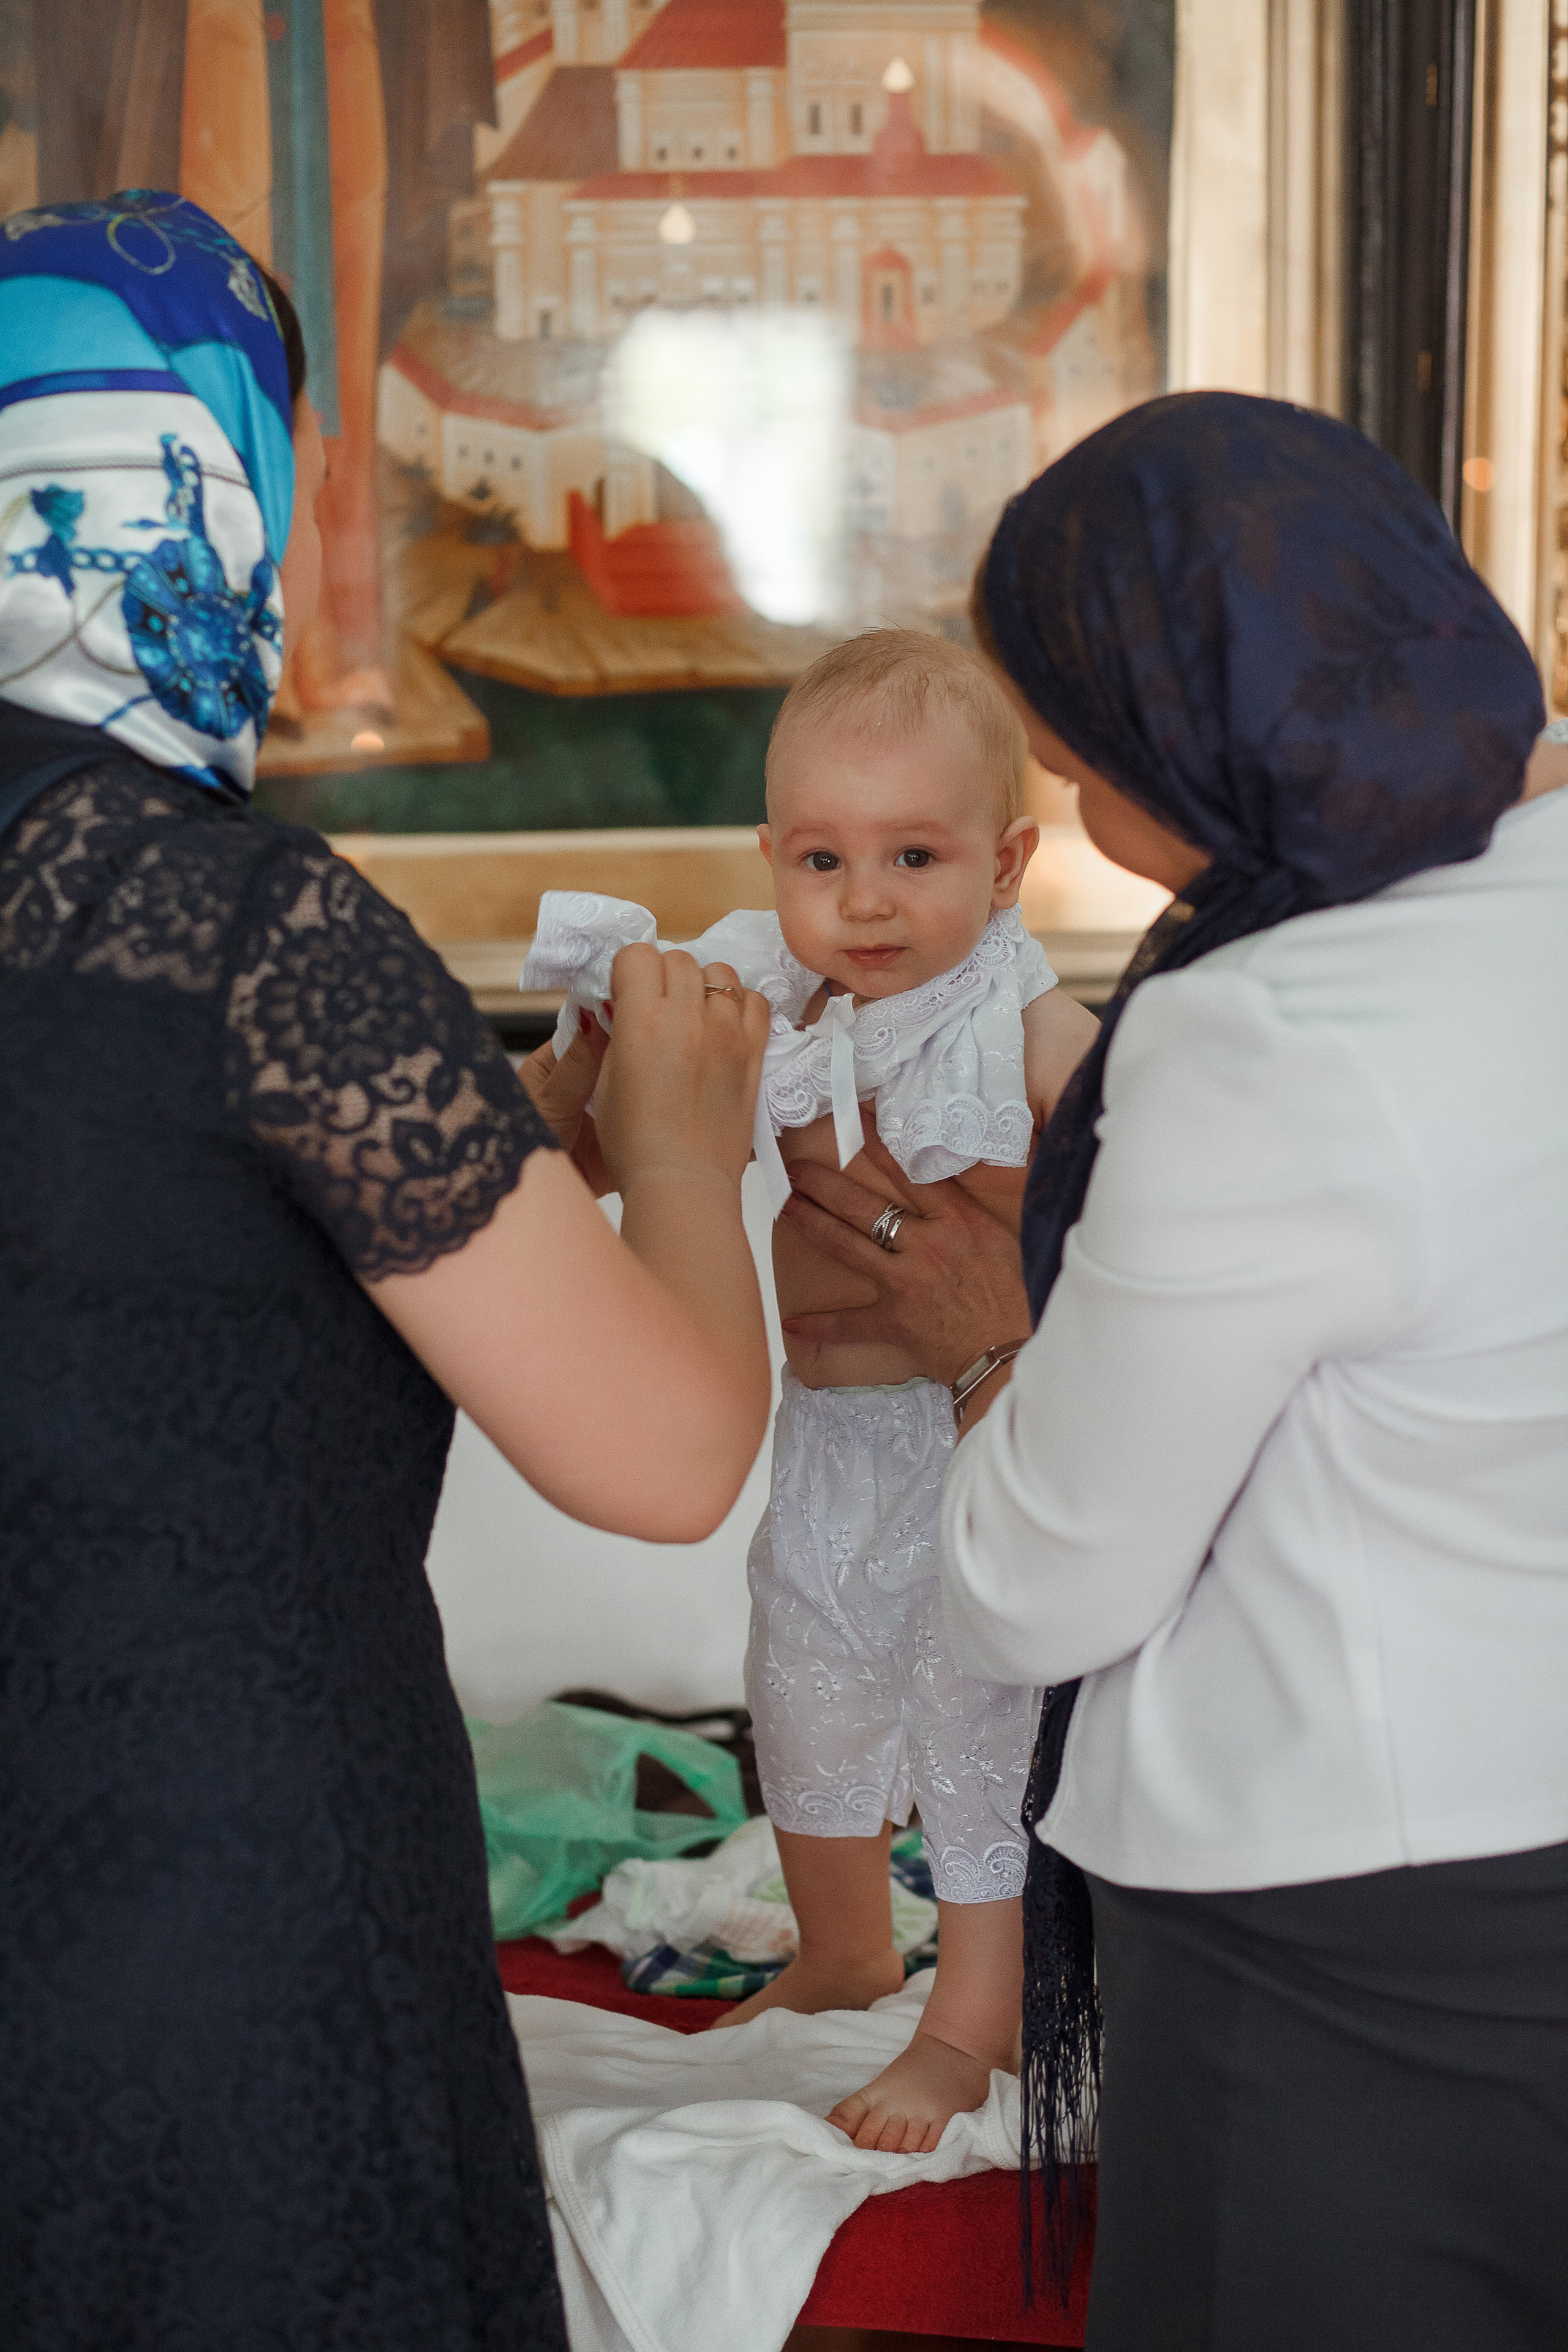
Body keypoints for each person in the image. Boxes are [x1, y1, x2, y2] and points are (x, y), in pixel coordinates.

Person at [0, 194, 772, 2351]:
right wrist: (682, 1151)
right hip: (215, 1947)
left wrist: (509, 1116)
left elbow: (136, 1238)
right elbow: (667, 1454)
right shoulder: (242, 930)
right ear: (240, 481)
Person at [777, 393, 1568, 2344]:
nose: (1100, 830)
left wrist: (988, 1348)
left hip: (1345, 1937)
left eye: (1083, 769)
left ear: (1196, 744)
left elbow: (1043, 1582)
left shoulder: (1275, 1031)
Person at [525, 630, 1099, 2150]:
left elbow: (1141, 1155)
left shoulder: (1024, 1023)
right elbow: (599, 1118)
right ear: (771, 857)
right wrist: (601, 1027)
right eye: (822, 858)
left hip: (972, 1431)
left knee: (980, 1723)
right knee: (808, 1693)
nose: (863, 899)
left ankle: (971, 2023)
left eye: (914, 854)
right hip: (832, 1436)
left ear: (1006, 861)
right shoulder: (763, 997)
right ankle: (843, 1947)